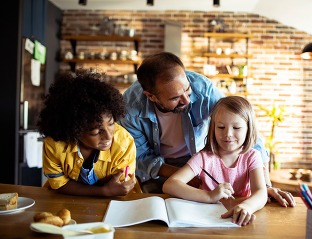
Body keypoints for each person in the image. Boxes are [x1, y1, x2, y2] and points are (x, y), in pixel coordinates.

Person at [119, 52, 295, 207]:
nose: (186, 101)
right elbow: (141, 158)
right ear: (151, 96)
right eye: (175, 98)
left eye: (187, 91)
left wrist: (266, 186)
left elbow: (241, 124)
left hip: (197, 160)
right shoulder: (130, 108)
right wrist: (190, 178)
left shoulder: (203, 88)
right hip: (160, 168)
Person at [163, 96, 268, 226]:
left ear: (248, 129)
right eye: (221, 127)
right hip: (205, 221)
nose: (228, 134)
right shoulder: (203, 158)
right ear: (213, 128)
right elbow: (170, 185)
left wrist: (246, 207)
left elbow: (261, 193)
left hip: (239, 221)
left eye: (236, 128)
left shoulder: (252, 156)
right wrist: (210, 196)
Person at [37, 69, 141, 196]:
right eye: (96, 132)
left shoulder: (123, 143)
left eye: (111, 124)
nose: (109, 136)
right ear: (75, 130)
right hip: (66, 200)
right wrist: (103, 191)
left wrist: (110, 191)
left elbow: (119, 187)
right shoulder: (55, 145)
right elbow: (59, 184)